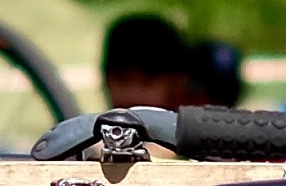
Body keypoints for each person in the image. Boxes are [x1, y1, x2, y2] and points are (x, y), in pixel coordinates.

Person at [100, 8, 243, 115]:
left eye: (147, 82)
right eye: (122, 80)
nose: (133, 94)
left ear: (179, 81)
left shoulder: (203, 129)